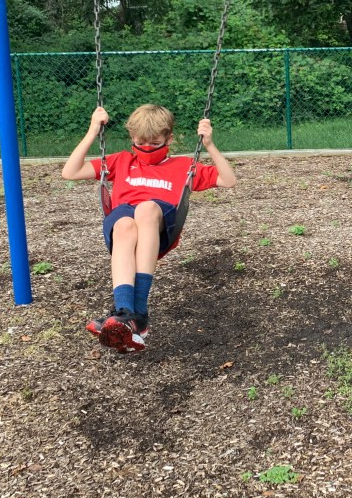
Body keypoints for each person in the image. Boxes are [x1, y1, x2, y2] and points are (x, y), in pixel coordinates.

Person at [62, 104, 237, 354]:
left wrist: (209, 145)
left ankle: (140, 310)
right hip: (126, 227)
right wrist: (92, 131)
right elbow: (70, 172)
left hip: (160, 228)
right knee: (123, 223)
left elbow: (228, 180)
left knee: (146, 208)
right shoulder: (121, 161)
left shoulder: (184, 166)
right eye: (140, 143)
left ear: (169, 139)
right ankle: (125, 314)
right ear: (132, 138)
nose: (146, 148)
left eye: (155, 143)